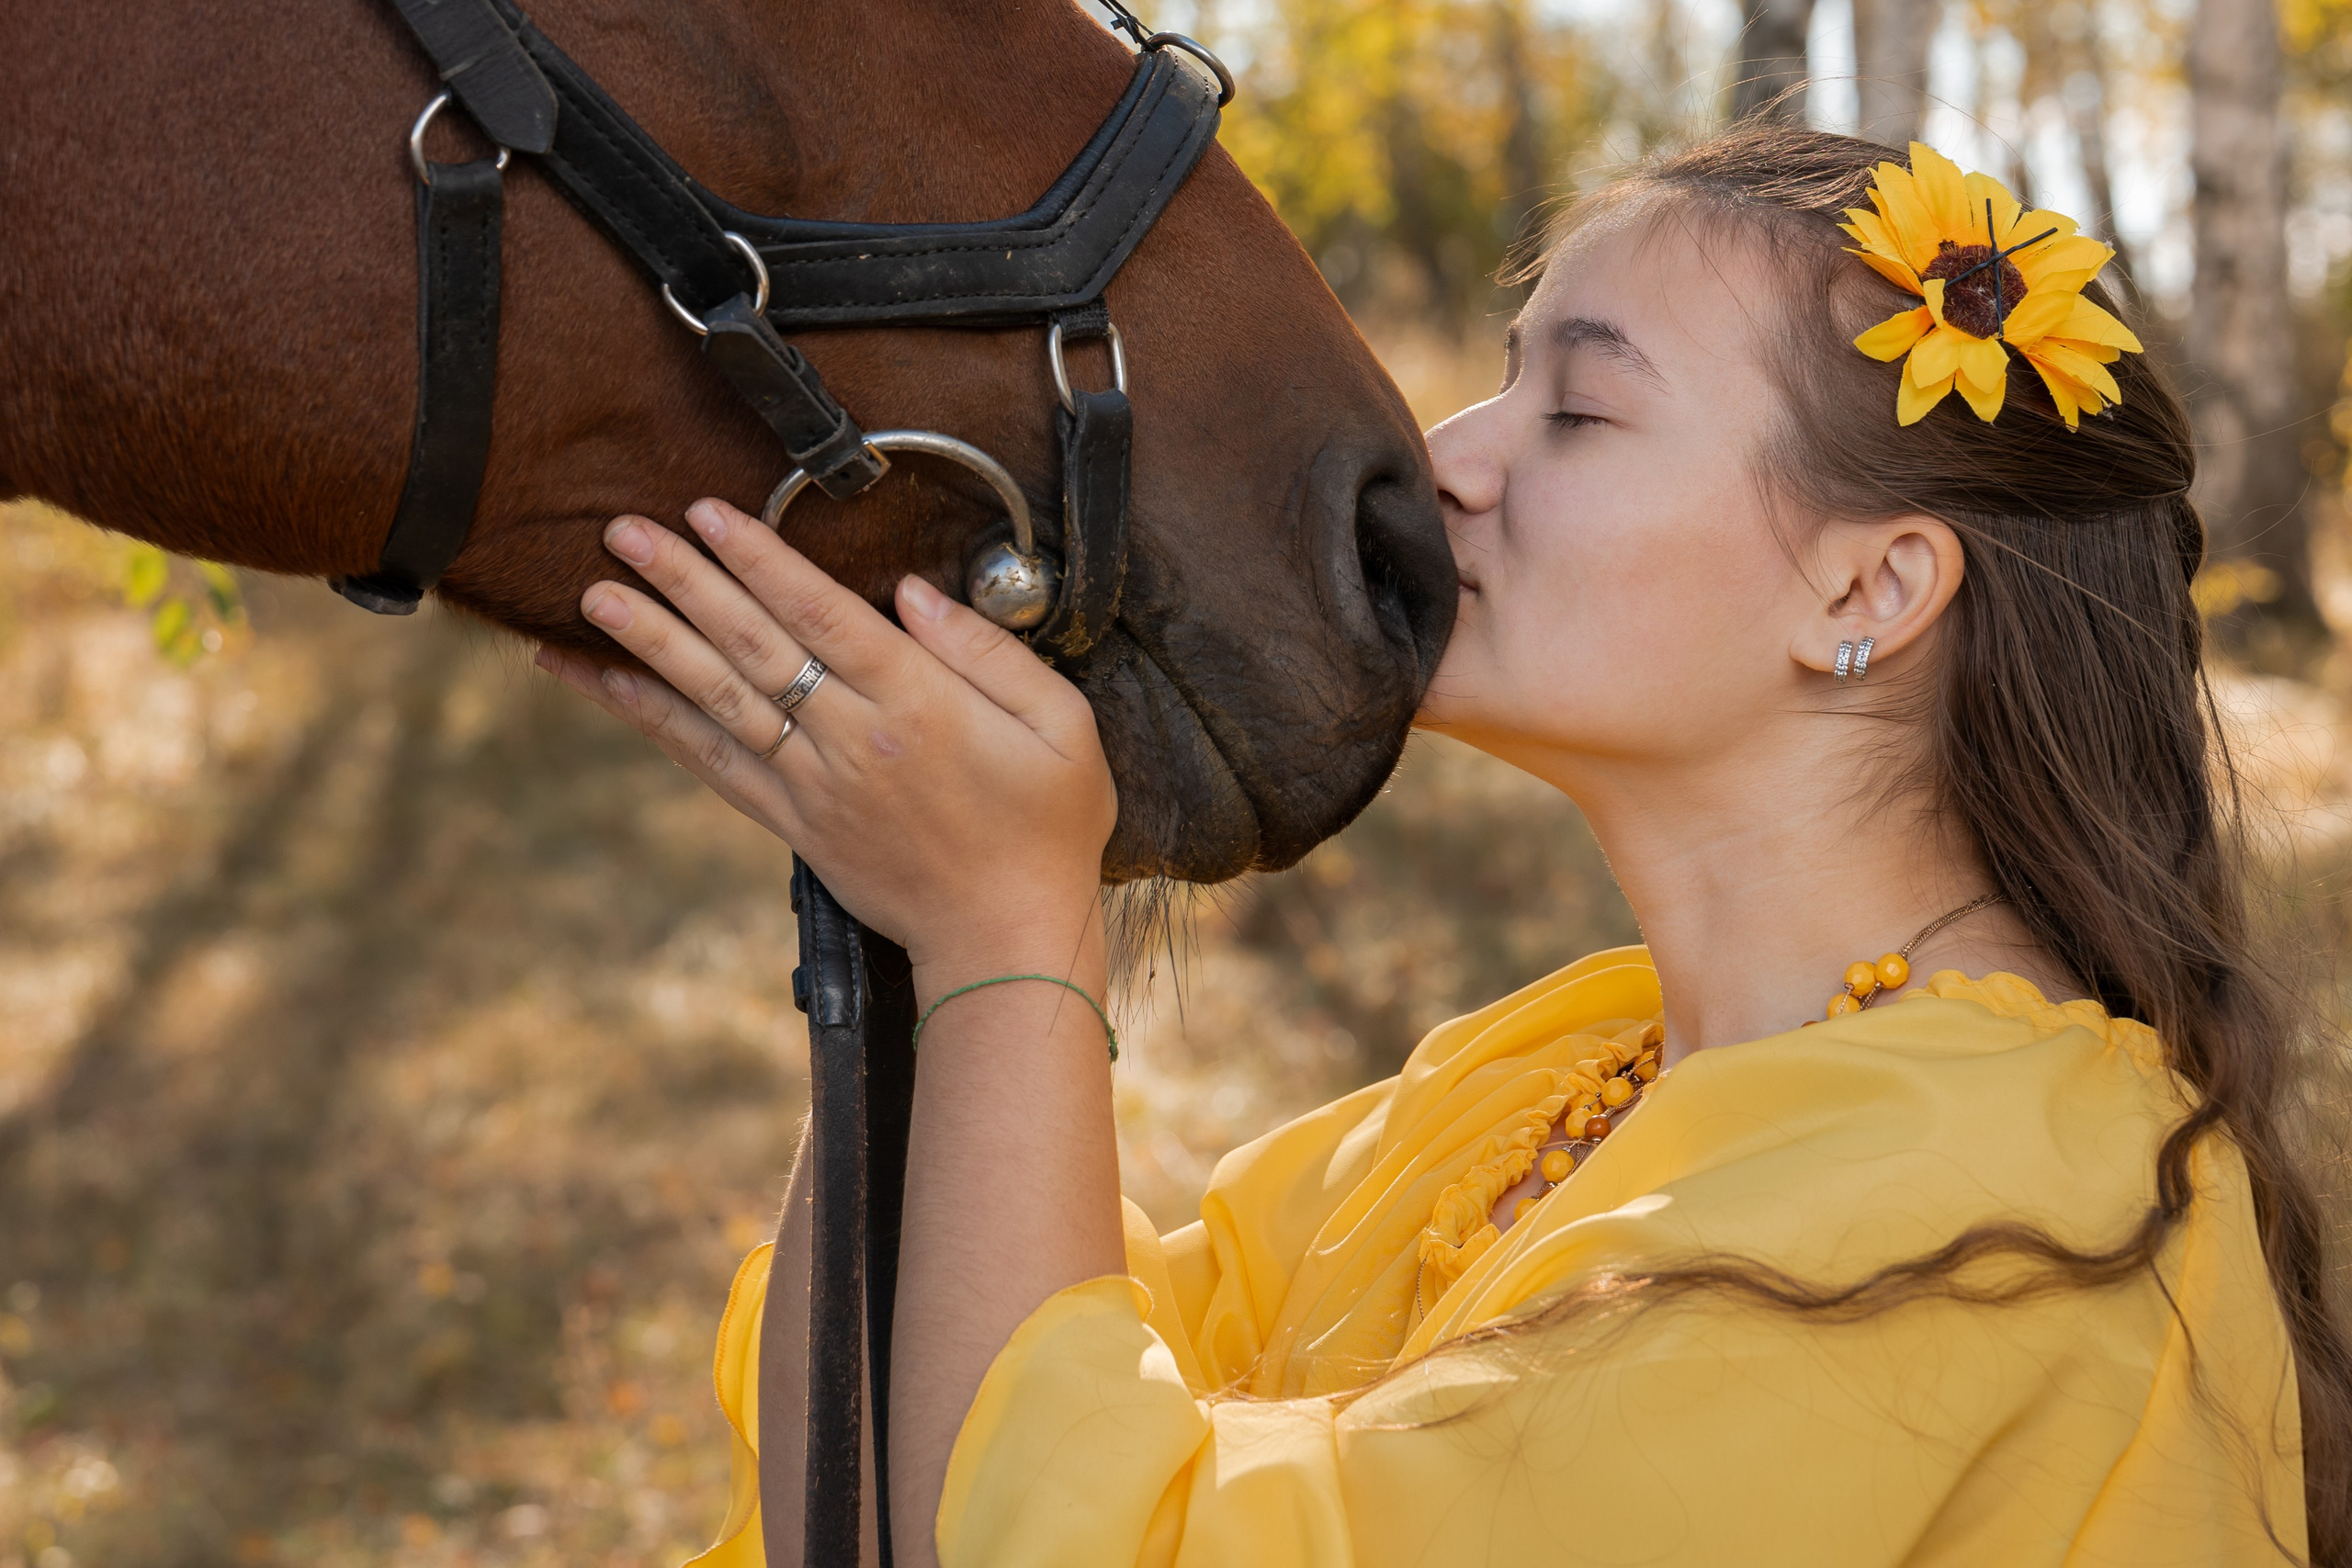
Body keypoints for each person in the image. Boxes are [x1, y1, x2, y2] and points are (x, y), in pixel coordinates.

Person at [535, 125, 2349, 1567]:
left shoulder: (1985, 1207)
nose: (1447, 456)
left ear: (1865, 586)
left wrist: (1008, 935)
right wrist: (917, 906)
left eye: (1575, 406)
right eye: (1497, 378)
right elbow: (877, 1454)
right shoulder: (1546, 1080)